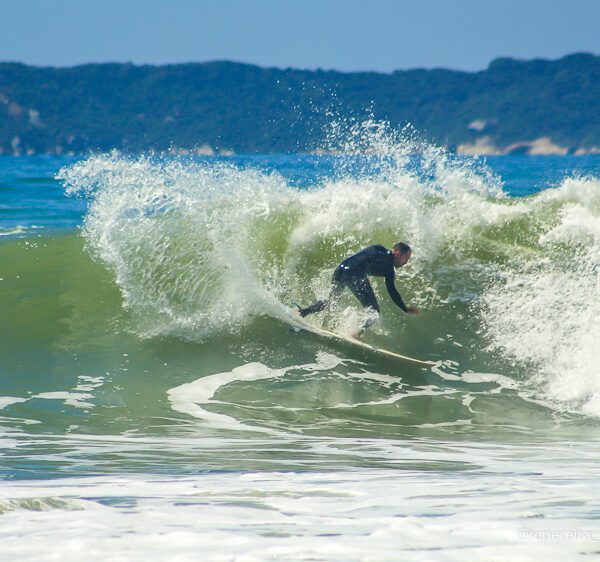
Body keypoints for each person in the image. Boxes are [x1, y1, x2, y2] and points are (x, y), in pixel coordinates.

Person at [298, 242, 420, 337]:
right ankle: (355, 334)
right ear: (398, 253)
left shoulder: (378, 248)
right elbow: (391, 290)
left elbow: (363, 258)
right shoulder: (388, 267)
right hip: (354, 275)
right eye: (406, 258)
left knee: (330, 302)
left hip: (341, 269)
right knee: (374, 312)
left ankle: (302, 312)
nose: (406, 263)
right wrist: (405, 308)